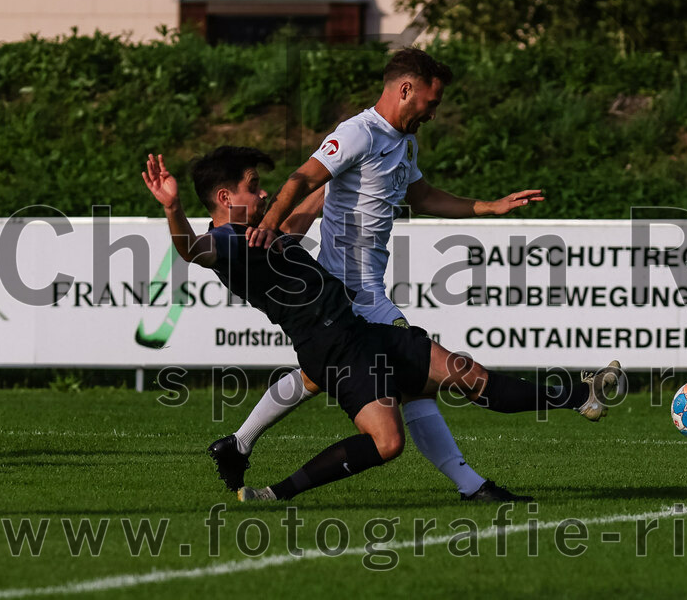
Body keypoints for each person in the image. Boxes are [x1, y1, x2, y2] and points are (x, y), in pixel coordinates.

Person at [142, 148, 621, 502]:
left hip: (360, 331)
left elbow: (310, 202)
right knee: (389, 443)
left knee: (467, 374)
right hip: (332, 349)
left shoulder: (265, 231)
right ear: (225, 197)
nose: (264, 190)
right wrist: (171, 208)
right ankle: (275, 493)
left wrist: (350, 159)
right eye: (253, 184)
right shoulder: (223, 241)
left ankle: (581, 396)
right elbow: (190, 250)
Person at [210, 48, 544, 502]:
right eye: (432, 99)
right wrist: (268, 227)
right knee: (421, 381)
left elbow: (422, 196)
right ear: (407, 89)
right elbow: (303, 178)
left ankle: (238, 444)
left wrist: (488, 206)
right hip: (353, 295)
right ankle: (474, 485)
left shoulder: (404, 142)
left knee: (318, 374)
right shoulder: (357, 132)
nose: (434, 110)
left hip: (360, 290)